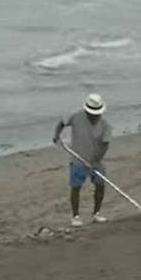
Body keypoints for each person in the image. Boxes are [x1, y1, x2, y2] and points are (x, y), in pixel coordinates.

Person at [53, 93, 112, 227]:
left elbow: (104, 146)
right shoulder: (76, 116)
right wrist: (56, 136)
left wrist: (94, 160)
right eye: (91, 113)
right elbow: (62, 123)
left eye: (96, 113)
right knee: (76, 187)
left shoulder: (105, 125)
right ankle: (76, 216)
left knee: (100, 185)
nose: (93, 116)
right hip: (78, 159)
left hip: (96, 161)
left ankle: (96, 213)